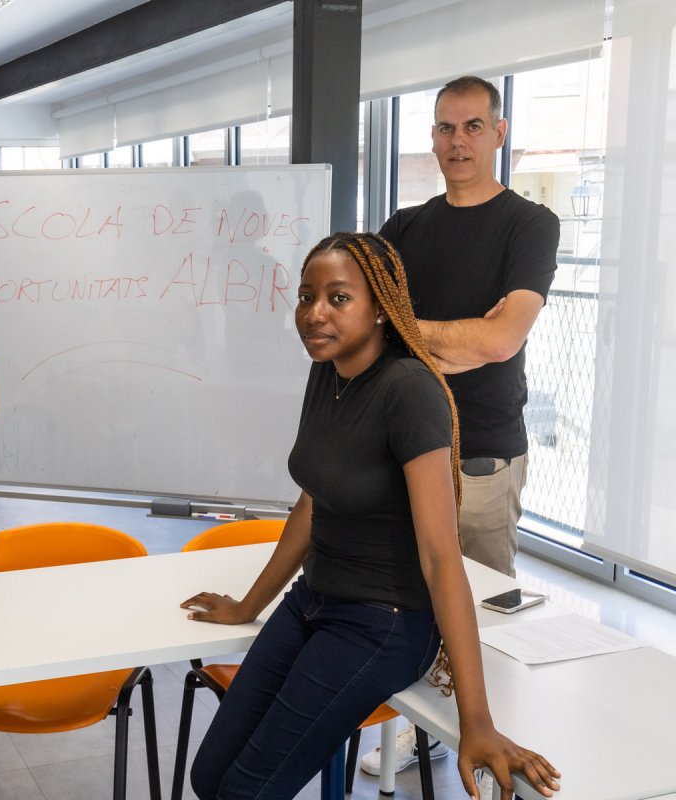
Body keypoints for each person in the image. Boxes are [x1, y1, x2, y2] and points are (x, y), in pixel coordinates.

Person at [181, 233, 560, 800]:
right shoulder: (328, 373)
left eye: (338, 298)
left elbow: (440, 559)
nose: (314, 314)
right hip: (314, 602)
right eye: (307, 297)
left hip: (382, 623)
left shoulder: (409, 393)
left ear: (382, 306)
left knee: (242, 792)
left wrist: (476, 721)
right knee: (207, 777)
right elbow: (313, 502)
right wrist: (247, 607)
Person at [364, 74, 560, 777]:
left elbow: (499, 340)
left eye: (474, 126)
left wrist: (413, 338)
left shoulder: (529, 225)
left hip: (480, 456)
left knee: (479, 615)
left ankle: (487, 746)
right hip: (403, 451)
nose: (458, 142)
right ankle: (411, 747)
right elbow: (368, 331)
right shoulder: (403, 227)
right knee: (404, 603)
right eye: (446, 128)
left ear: (499, 133)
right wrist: (439, 345)